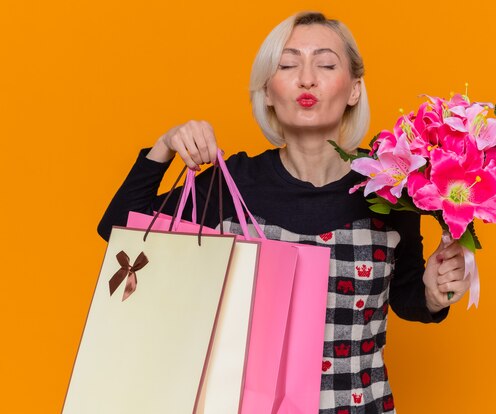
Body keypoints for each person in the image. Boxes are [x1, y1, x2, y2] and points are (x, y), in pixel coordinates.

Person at [98, 11, 469, 414]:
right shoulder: (232, 184)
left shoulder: (388, 185)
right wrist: (164, 146)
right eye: (288, 65)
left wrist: (433, 294)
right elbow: (120, 233)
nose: (306, 78)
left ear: (354, 90)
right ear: (269, 93)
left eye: (326, 64)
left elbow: (407, 297)